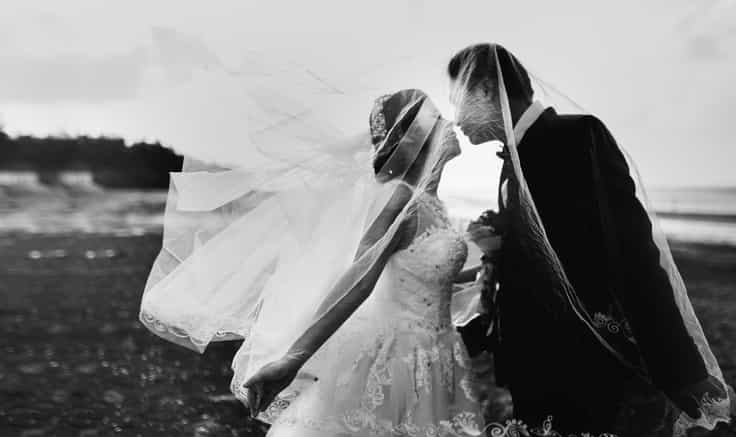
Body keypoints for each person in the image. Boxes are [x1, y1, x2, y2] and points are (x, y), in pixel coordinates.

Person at [141, 89, 485, 436]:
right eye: (437, 119)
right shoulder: (398, 199)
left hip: (440, 352)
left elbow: (420, 278)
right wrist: (293, 359)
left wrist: (485, 270)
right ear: (414, 136)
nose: (449, 124)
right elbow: (358, 281)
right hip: (397, 358)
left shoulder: (433, 203)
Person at [447, 42, 731, 436]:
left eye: (457, 99)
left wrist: (682, 370)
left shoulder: (577, 137)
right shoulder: (511, 159)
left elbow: (634, 255)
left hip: (585, 370)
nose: (456, 116)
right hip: (533, 370)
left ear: (485, 91)